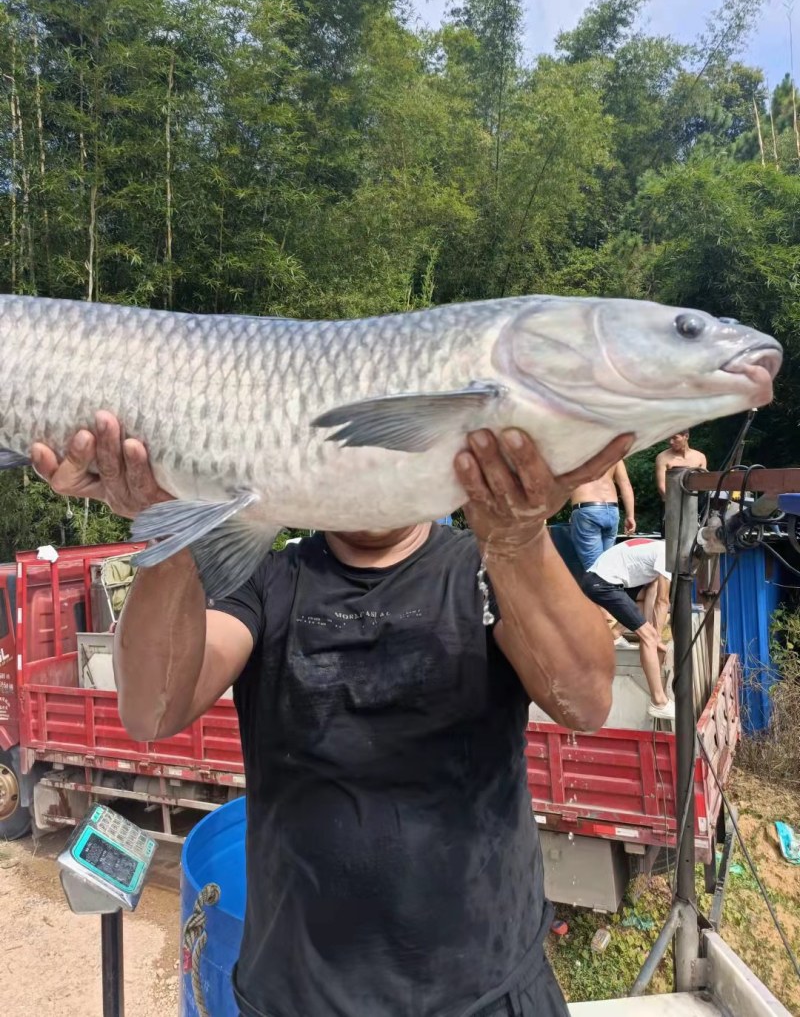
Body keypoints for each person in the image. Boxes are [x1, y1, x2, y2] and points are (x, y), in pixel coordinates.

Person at [31, 412, 631, 1017]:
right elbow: (152, 709)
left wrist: (519, 534)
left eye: (390, 448)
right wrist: (165, 529)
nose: (369, 467)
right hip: (293, 994)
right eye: (350, 450)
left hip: (488, 990)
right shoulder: (266, 578)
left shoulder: (484, 567)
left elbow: (583, 698)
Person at [581, 538, 675, 721]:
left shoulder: (658, 548)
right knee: (647, 637)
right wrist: (653, 637)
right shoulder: (666, 556)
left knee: (645, 602)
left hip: (600, 579)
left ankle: (615, 634)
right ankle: (659, 701)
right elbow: (663, 601)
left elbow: (652, 596)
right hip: (602, 583)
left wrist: (652, 631)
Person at [569, 460, 636, 570]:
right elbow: (626, 484)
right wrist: (630, 516)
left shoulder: (576, 451)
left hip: (587, 510)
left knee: (595, 569)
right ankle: (610, 586)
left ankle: (601, 586)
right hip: (611, 510)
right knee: (608, 566)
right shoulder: (613, 452)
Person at [655, 431, 707, 501]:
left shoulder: (700, 457)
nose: (671, 442)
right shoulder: (663, 457)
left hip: (694, 503)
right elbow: (662, 486)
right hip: (670, 503)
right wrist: (672, 503)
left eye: (675, 438)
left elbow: (703, 484)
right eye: (669, 438)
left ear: (686, 436)